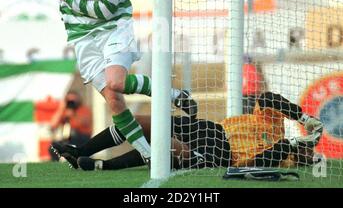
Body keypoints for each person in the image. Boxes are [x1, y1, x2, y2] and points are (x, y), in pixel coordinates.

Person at [46, 0, 191, 165]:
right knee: (114, 100)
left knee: (116, 82)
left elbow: (104, 10)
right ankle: (149, 155)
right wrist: (77, 3)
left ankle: (174, 94)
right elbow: (84, 5)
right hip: (82, 37)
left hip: (114, 27)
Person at [51, 91, 324, 171]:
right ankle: (80, 152)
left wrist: (291, 146)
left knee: (168, 151)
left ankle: (103, 166)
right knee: (137, 121)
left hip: (220, 156)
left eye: (309, 152)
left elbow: (266, 159)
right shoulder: (274, 123)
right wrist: (303, 116)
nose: (307, 150)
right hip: (211, 129)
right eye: (308, 147)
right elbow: (267, 99)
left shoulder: (284, 159)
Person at [49, 91, 92, 161]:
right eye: (69, 100)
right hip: (67, 138)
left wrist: (73, 115)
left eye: (73, 100)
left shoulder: (83, 109)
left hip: (81, 138)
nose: (71, 102)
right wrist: (61, 109)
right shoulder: (65, 110)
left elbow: (84, 122)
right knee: (53, 147)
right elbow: (53, 125)